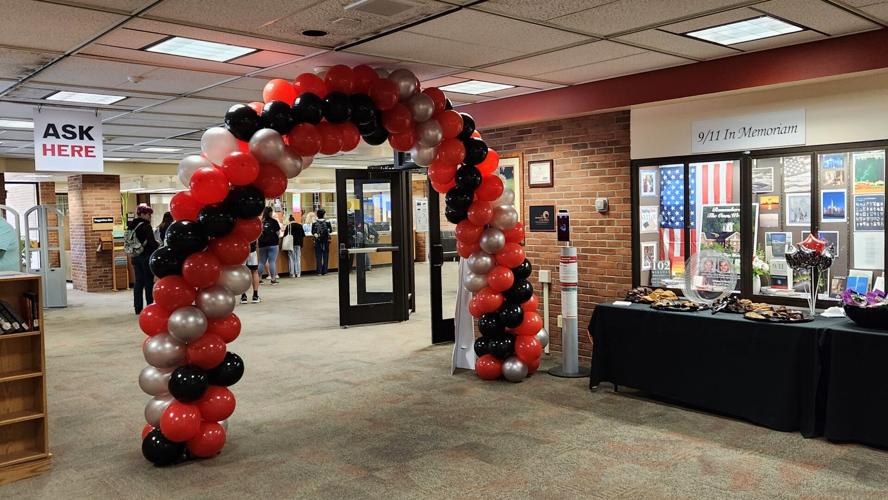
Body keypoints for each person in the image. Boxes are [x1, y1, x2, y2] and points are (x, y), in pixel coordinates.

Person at [127, 204, 159, 314]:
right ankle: (150, 306)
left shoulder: (131, 225)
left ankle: (138, 308)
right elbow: (151, 243)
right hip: (146, 257)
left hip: (135, 257)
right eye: (148, 214)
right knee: (148, 282)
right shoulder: (146, 226)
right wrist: (158, 245)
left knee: (138, 282)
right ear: (143, 214)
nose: (150, 216)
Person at [257, 207, 281, 284]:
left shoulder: (261, 222)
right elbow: (278, 233)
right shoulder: (274, 221)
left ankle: (259, 279)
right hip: (273, 243)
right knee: (272, 262)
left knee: (261, 262)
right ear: (271, 212)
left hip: (262, 244)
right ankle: (273, 279)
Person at [312, 208, 333, 275]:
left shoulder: (314, 223)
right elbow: (330, 231)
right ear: (324, 214)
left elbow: (313, 232)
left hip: (317, 241)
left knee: (318, 256)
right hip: (326, 241)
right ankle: (325, 271)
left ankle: (319, 271)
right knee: (325, 255)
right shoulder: (327, 222)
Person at [241, 238, 261, 304]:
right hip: (252, 250)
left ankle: (243, 296)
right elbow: (257, 239)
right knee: (254, 271)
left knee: (242, 273)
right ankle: (255, 296)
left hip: (241, 250)